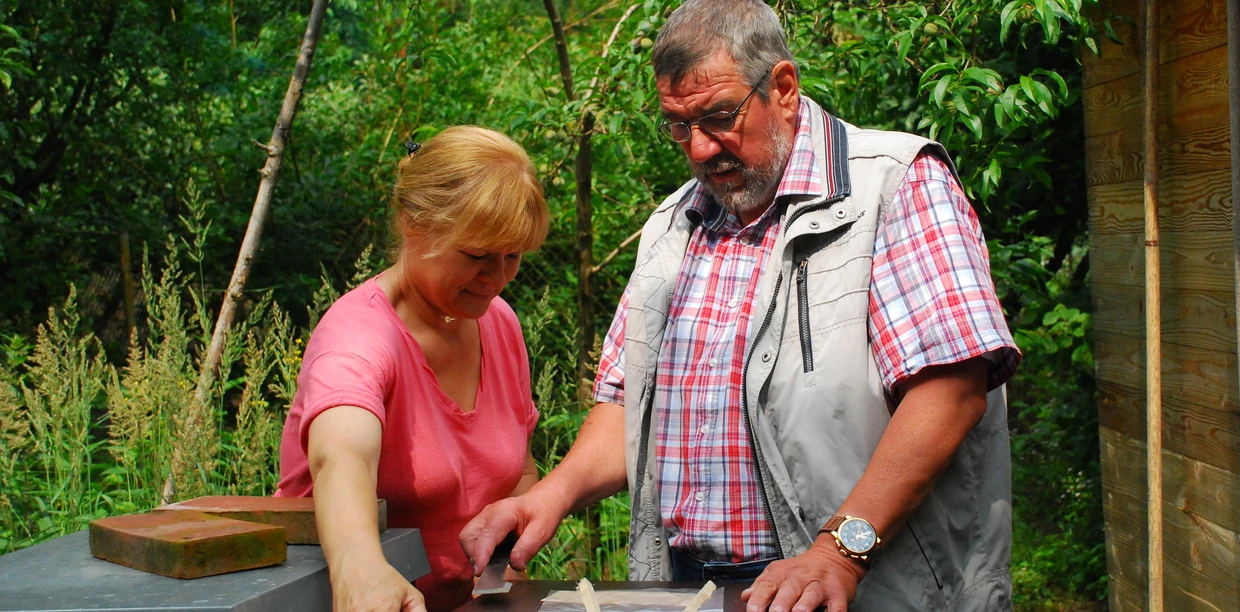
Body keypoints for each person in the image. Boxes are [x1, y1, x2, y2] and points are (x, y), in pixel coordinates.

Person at [463, 1, 1020, 610]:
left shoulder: (895, 184)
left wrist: (840, 551)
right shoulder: (672, 225)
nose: (700, 149)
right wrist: (550, 495)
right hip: (688, 588)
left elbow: (951, 391)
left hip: (860, 582)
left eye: (718, 117)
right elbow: (628, 404)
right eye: (678, 125)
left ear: (783, 87)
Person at [275, 126, 550, 612]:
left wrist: (499, 578)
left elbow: (518, 472)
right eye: (476, 256)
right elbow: (341, 458)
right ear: (412, 223)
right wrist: (359, 567)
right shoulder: (357, 340)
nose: (497, 278)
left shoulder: (497, 322)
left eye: (513, 256)